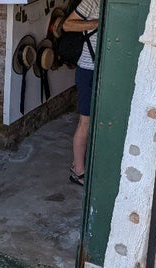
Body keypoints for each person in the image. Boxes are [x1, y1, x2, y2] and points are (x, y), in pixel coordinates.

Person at [62, 0, 99, 186]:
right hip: (88, 70)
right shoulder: (92, 2)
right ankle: (78, 171)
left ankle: (82, 163)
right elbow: (67, 25)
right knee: (86, 121)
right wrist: (98, 23)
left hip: (105, 71)